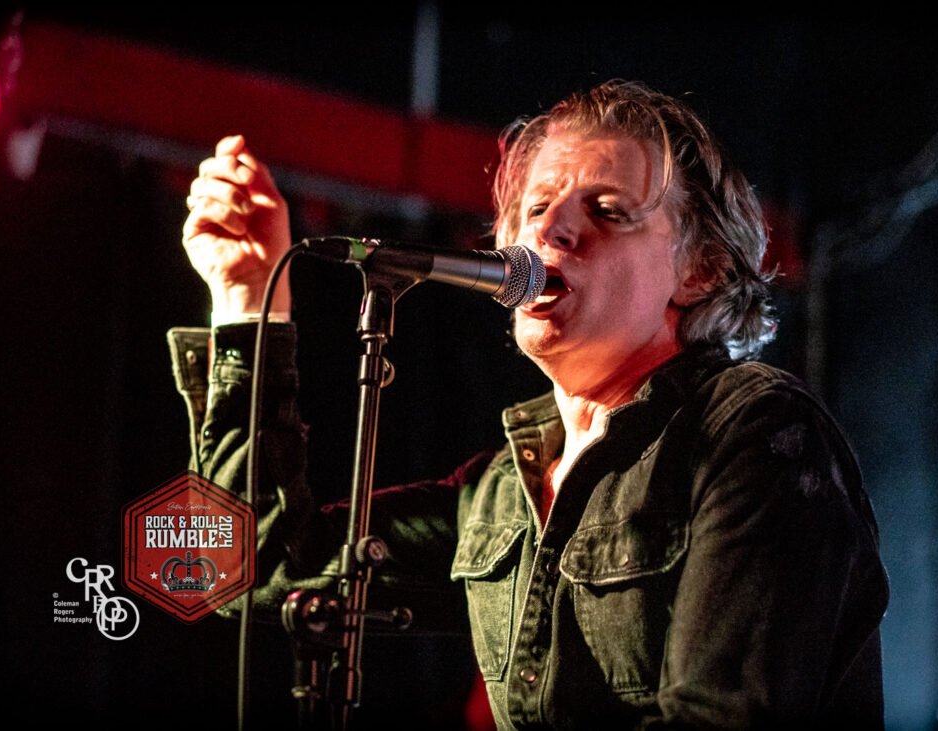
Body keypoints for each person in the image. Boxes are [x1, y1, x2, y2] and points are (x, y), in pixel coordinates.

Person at [172, 79, 890, 728]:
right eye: (538, 207)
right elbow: (241, 567)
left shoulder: (754, 430)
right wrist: (246, 302)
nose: (549, 231)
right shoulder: (497, 494)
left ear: (699, 270)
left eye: (607, 211)